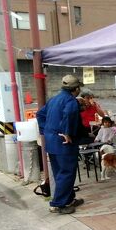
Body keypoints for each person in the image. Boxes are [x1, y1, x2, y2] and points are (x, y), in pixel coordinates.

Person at [36, 74, 85, 214]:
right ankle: (58, 204)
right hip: (64, 142)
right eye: (79, 87)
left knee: (60, 173)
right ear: (75, 88)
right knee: (67, 173)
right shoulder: (71, 101)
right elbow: (69, 115)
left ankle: (68, 199)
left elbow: (40, 114)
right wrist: (66, 132)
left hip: (51, 142)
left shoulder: (54, 99)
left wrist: (46, 130)